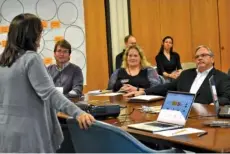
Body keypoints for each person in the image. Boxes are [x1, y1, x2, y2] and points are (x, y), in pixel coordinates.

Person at [0, 13, 95, 153]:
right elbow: (50, 93)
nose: (40, 38)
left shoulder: (3, 61)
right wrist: (78, 113)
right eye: (39, 33)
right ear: (31, 35)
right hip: (29, 135)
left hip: (6, 133)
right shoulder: (31, 59)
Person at [126, 45, 230, 105]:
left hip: (205, 117)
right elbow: (167, 87)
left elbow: (227, 98)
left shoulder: (222, 77)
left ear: (212, 59)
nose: (199, 58)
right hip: (180, 114)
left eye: (203, 55)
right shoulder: (186, 74)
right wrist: (144, 92)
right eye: (197, 56)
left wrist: (215, 104)